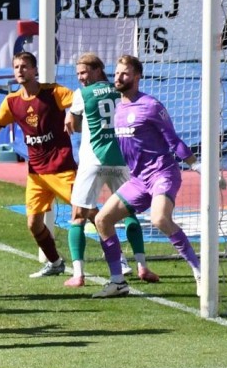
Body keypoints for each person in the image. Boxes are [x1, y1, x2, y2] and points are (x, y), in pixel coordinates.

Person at [92, 55, 202, 298]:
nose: (118, 77)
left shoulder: (151, 105)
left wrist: (196, 165)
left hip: (163, 172)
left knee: (160, 218)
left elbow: (173, 140)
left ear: (137, 76)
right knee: (102, 220)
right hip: (138, 180)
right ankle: (118, 282)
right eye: (117, 73)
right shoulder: (119, 109)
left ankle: (199, 271)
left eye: (124, 73)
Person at [0, 51, 75, 278]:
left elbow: (79, 100)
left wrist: (72, 114)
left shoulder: (53, 92)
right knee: (33, 223)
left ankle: (119, 259)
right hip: (36, 172)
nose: (20, 70)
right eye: (17, 67)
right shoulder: (11, 101)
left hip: (62, 167)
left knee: (87, 211)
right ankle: (55, 262)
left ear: (35, 70)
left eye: (25, 66)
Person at [64, 53, 159, 287]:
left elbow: (74, 126)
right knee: (129, 213)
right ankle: (142, 266)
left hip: (93, 161)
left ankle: (78, 274)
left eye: (84, 72)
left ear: (98, 69)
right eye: (78, 74)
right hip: (121, 160)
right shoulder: (122, 91)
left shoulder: (82, 94)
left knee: (78, 216)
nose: (81, 78)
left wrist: (74, 117)